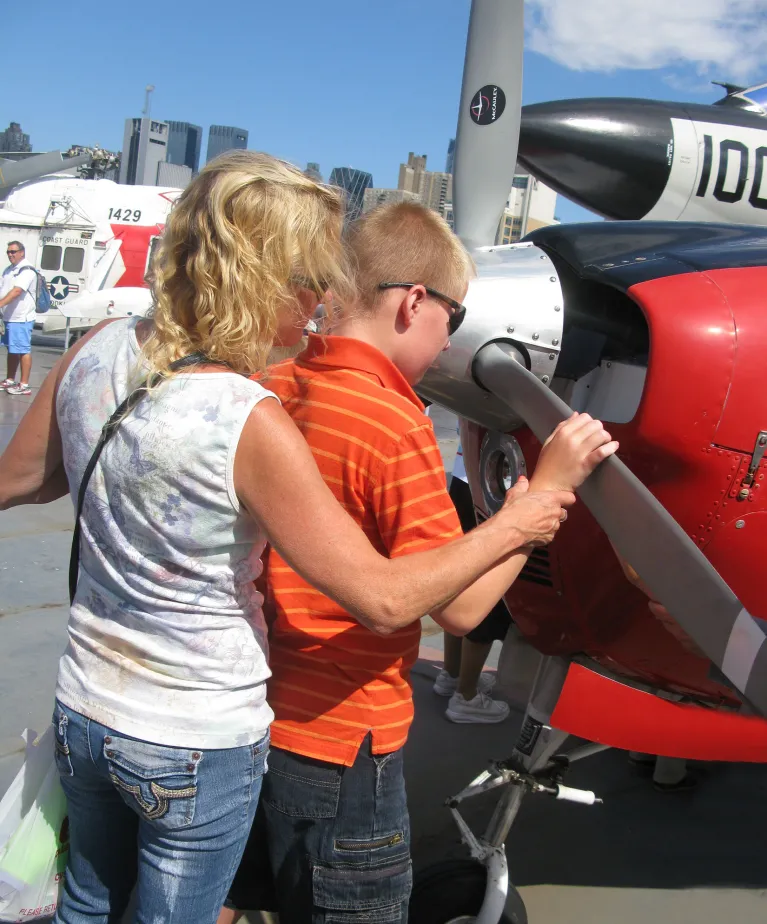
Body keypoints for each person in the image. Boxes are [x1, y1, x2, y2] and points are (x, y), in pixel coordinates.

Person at [0, 154, 578, 924]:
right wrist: (526, 513)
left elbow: (21, 481)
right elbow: (386, 598)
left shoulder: (98, 347)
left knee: (88, 901)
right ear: (257, 273)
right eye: (307, 280)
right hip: (203, 734)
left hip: (85, 709)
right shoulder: (245, 411)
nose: (316, 307)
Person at [224, 202, 619, 923]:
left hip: (245, 722)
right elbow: (460, 609)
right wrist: (532, 513)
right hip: (343, 742)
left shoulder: (272, 385)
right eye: (455, 317)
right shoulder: (391, 420)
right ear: (413, 302)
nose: (451, 342)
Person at [433, 435, 513, 723]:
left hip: (466, 474)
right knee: (490, 583)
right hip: (499, 477)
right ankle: (465, 695)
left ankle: (453, 674)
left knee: (460, 578)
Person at [0, 240, 38, 395]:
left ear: (22, 252)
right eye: (8, 252)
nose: (10, 254)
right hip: (9, 316)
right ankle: (10, 379)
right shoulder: (9, 270)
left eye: (13, 252)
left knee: (23, 350)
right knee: (12, 349)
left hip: (21, 317)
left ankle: (24, 385)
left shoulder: (27, 271)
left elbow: (16, 292)